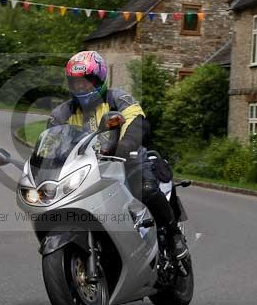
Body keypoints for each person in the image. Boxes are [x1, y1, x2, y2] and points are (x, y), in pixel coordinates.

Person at [47, 51, 189, 260]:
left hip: (126, 160)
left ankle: (172, 234)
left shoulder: (118, 98)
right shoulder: (61, 114)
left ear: (99, 80)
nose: (80, 87)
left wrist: (124, 145)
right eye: (75, 83)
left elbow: (135, 121)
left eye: (86, 81)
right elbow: (50, 143)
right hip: (86, 171)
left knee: (146, 190)